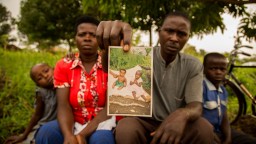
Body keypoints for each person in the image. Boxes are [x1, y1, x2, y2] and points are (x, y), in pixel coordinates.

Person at [102, 11, 214, 144]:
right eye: (169, 31)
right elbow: (108, 66)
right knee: (127, 127)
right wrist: (107, 46)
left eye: (181, 34)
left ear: (188, 37)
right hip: (142, 122)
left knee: (204, 128)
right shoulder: (140, 56)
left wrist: (181, 115)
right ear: (159, 32)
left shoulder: (193, 65)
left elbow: (195, 106)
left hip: (176, 124)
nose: (174, 38)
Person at [35, 15, 117, 144]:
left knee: (102, 141)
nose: (87, 38)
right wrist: (68, 135)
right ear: (75, 38)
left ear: (100, 39)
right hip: (73, 121)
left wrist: (81, 136)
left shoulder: (111, 65)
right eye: (82, 34)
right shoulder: (64, 65)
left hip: (102, 123)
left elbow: (109, 108)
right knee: (46, 132)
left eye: (93, 35)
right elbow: (63, 106)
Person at [203, 52, 256, 144]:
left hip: (220, 130)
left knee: (249, 140)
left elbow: (224, 117)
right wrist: (213, 136)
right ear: (203, 69)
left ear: (226, 71)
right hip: (205, 131)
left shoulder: (223, 91)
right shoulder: (201, 88)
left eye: (222, 69)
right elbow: (199, 117)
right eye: (213, 68)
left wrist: (228, 137)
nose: (218, 72)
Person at [5, 63, 56, 144]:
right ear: (38, 84)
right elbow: (37, 115)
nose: (46, 76)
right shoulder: (42, 93)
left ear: (54, 68)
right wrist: (24, 135)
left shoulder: (65, 83)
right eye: (40, 78)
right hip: (45, 125)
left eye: (46, 71)